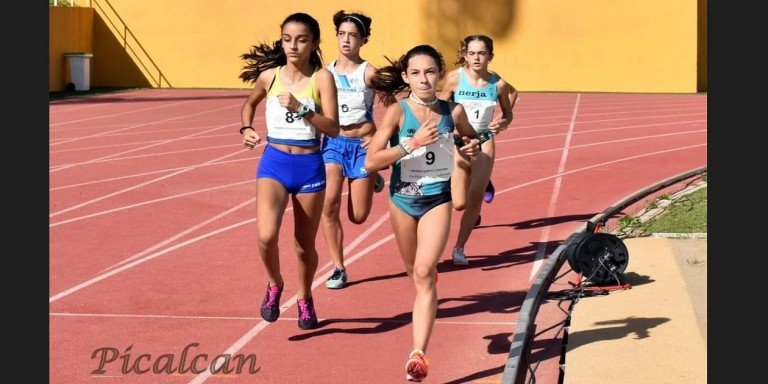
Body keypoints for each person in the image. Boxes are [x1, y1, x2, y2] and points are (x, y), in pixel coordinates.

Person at [364, 44, 480, 382]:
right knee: (414, 274)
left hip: (436, 200)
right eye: (415, 73)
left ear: (440, 74)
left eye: (430, 71)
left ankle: (418, 354)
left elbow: (471, 139)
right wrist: (411, 144)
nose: (424, 79)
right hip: (402, 200)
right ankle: (425, 284)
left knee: (425, 271)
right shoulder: (398, 113)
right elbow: (371, 161)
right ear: (405, 77)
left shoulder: (452, 111)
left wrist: (469, 146)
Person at [238, 12, 339, 330]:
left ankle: (305, 297)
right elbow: (249, 103)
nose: (293, 45)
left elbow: (333, 128)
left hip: (310, 167)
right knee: (266, 237)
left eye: (301, 39)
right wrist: (245, 128)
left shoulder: (322, 78)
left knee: (303, 245)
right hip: (275, 163)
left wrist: (303, 109)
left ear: (315, 43)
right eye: (287, 39)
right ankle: (274, 283)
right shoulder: (269, 77)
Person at [437, 35, 517, 266]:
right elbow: (440, 109)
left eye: (482, 53)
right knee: (458, 203)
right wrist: (450, 133)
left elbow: (510, 106)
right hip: (459, 142)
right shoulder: (454, 79)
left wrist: (503, 121)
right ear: (465, 55)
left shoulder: (498, 84)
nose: (476, 58)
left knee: (473, 200)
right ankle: (481, 184)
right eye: (472, 53)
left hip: (484, 141)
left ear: (490, 56)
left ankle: (459, 247)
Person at [321, 10, 385, 290]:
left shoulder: (369, 73)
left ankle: (373, 180)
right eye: (342, 34)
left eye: (353, 36)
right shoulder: (324, 72)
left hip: (362, 145)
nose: (346, 40)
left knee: (358, 216)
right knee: (329, 204)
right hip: (334, 143)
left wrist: (380, 138)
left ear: (363, 40)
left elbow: (396, 108)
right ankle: (338, 267)